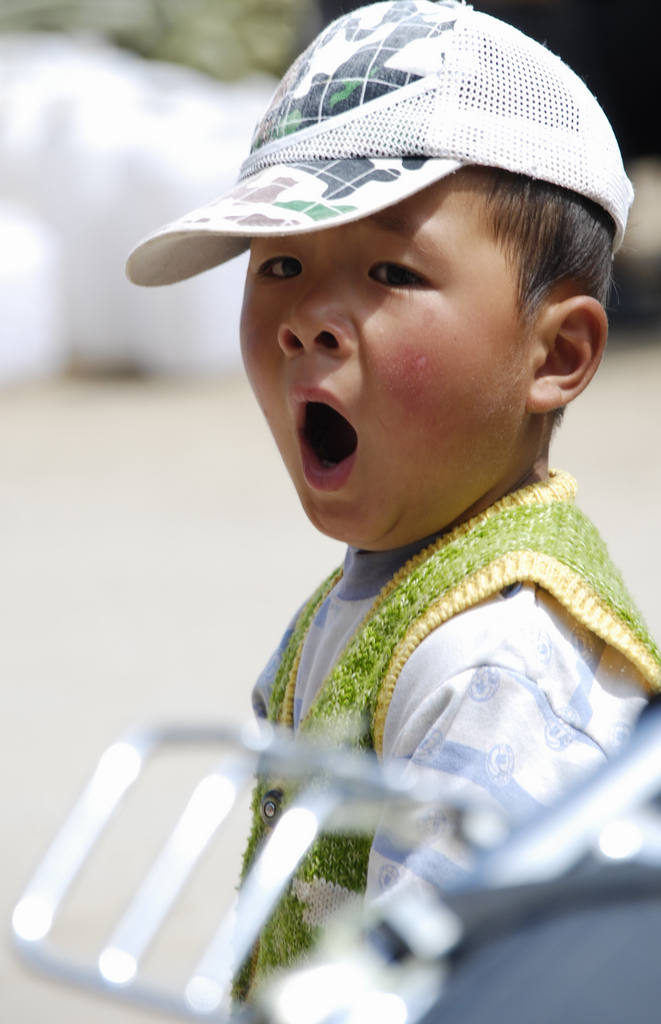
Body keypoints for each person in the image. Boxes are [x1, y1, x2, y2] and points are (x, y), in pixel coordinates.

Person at [126, 0, 661, 999]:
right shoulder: (387, 589)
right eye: (278, 263)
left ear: (559, 352)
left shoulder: (492, 665)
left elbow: (469, 991)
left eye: (389, 269)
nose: (303, 324)